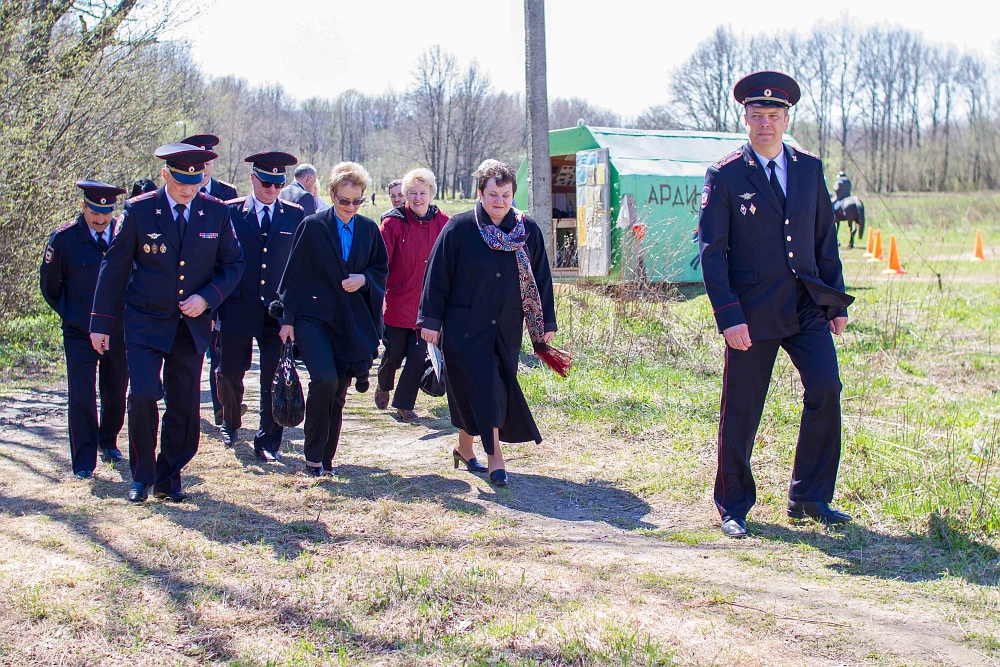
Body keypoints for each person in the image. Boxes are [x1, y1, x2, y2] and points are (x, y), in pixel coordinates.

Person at [698, 71, 854, 538]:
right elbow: (712, 252)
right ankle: (733, 505)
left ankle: (809, 496)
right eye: (756, 115)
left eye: (773, 115)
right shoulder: (725, 174)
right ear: (745, 119)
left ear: (787, 120)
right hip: (751, 312)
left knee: (826, 387)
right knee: (742, 409)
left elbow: (824, 237)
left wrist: (835, 301)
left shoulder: (808, 168)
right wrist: (729, 317)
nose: (765, 123)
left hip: (805, 305)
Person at [90, 143, 244, 503]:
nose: (187, 190)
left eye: (195, 183)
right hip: (145, 320)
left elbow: (234, 265)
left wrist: (207, 298)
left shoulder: (216, 212)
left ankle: (168, 476)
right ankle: (142, 475)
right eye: (179, 183)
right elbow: (114, 268)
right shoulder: (140, 210)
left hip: (190, 325)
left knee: (184, 405)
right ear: (165, 175)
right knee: (143, 394)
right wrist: (100, 322)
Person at [418, 162, 560, 486]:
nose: (499, 201)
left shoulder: (527, 230)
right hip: (464, 327)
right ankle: (496, 458)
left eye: (505, 195)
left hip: (507, 327)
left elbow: (541, 278)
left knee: (490, 390)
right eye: (493, 194)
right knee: (484, 388)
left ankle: (464, 447)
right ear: (481, 193)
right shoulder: (459, 228)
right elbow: (437, 276)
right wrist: (430, 321)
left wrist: (546, 322)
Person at [277, 162, 388, 477]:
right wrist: (288, 319)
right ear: (331, 195)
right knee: (324, 380)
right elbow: (295, 274)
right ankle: (312, 455)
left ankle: (326, 459)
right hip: (313, 319)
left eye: (357, 201)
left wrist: (364, 279)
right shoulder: (313, 226)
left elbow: (380, 270)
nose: (350, 207)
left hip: (349, 321)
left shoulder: (368, 229)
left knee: (338, 391)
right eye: (344, 201)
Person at [216, 152, 304, 460]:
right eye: (266, 183)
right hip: (236, 307)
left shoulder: (294, 215)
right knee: (228, 372)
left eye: (278, 184)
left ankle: (268, 441)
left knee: (273, 377)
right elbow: (217, 260)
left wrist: (292, 313)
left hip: (276, 312)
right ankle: (230, 419)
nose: (272, 190)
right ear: (253, 179)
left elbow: (298, 267)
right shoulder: (229, 211)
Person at [40, 180, 129, 479]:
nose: (101, 220)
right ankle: (83, 460)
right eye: (95, 213)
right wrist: (76, 316)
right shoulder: (64, 238)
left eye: (106, 214)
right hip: (80, 331)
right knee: (81, 396)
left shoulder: (123, 234)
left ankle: (108, 441)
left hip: (117, 329)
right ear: (83, 207)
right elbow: (50, 287)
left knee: (116, 390)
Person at [375, 168, 449, 422]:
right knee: (394, 352)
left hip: (427, 305)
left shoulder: (443, 223)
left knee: (418, 355)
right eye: (413, 193)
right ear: (406, 195)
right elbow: (380, 263)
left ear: (431, 194)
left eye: (423, 193)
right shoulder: (392, 223)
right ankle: (384, 384)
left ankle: (404, 404)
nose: (418, 198)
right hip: (397, 302)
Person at [182, 133, 237, 424]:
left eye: (207, 163)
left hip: (218, 288)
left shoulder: (227, 194)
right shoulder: (177, 192)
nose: (203, 169)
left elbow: (231, 251)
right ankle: (186, 408)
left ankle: (221, 409)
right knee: (189, 354)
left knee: (220, 352)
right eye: (198, 162)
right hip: (188, 286)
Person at [182, 134, 239, 201]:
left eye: (207, 164)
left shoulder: (228, 192)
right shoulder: (182, 192)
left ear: (212, 162)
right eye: (199, 165)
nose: (204, 170)